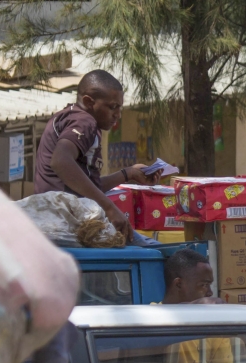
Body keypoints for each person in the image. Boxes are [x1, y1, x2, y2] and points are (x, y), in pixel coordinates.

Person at [34, 70, 157, 237]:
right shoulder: (85, 121)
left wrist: (129, 173)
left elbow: (88, 186)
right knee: (153, 250)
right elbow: (60, 161)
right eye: (113, 107)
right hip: (65, 223)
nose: (118, 115)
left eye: (120, 108)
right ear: (88, 102)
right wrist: (109, 208)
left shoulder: (69, 116)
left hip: (55, 219)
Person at [160, 249, 233, 363]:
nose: (210, 293)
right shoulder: (151, 321)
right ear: (179, 284)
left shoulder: (213, 326)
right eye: (204, 285)